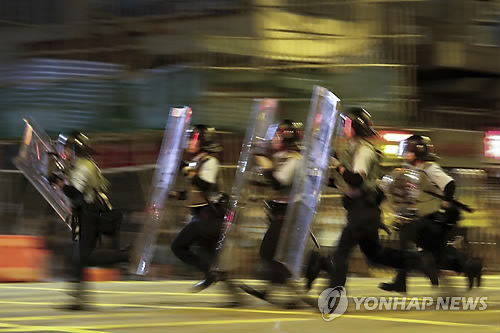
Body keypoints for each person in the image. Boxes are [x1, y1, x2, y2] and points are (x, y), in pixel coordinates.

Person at [327, 108, 439, 289]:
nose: (344, 127)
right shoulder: (354, 148)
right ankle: (420, 260)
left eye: (347, 123)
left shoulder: (363, 150)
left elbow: (356, 180)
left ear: (355, 127)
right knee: (376, 254)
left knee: (341, 253)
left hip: (362, 211)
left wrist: (338, 165)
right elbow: (348, 182)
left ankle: (333, 298)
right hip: (364, 210)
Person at [378, 135, 483, 293]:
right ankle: (469, 267)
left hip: (435, 218)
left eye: (409, 150)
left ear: (418, 151)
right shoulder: (413, 169)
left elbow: (449, 185)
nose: (406, 153)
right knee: (434, 253)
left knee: (417, 244)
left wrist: (443, 207)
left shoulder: (430, 168)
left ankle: (405, 279)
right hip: (424, 217)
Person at [52, 131, 129, 310]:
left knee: (85, 256)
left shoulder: (83, 167)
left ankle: (125, 256)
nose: (65, 153)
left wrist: (61, 184)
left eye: (67, 149)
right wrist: (60, 178)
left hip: (90, 215)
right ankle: (79, 299)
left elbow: (76, 193)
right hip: (86, 214)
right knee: (77, 257)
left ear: (74, 149)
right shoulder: (80, 165)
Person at [240, 120, 302, 304]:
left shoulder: (295, 159)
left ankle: (293, 292)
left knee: (268, 251)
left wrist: (266, 167)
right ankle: (272, 291)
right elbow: (270, 181)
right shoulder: (281, 155)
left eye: (277, 135)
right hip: (278, 210)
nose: (273, 139)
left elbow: (278, 181)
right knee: (274, 253)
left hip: (289, 212)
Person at [170, 125, 225, 292]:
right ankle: (233, 292)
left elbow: (205, 185)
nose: (189, 142)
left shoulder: (210, 162)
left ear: (203, 142)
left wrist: (186, 169)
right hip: (202, 215)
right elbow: (196, 193)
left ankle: (210, 273)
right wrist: (177, 195)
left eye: (193, 139)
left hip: (210, 217)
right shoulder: (198, 162)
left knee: (178, 246)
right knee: (211, 256)